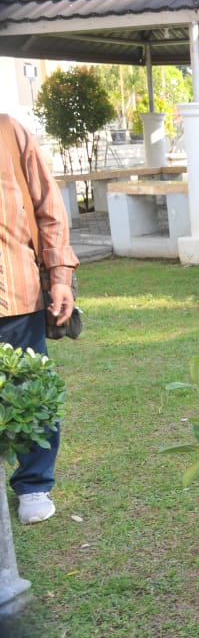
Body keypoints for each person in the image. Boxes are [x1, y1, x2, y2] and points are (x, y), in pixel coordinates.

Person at [0, 113, 79, 524]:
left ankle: (34, 485)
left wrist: (60, 277)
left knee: (30, 396)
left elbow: (49, 207)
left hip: (14, 297)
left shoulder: (8, 131)